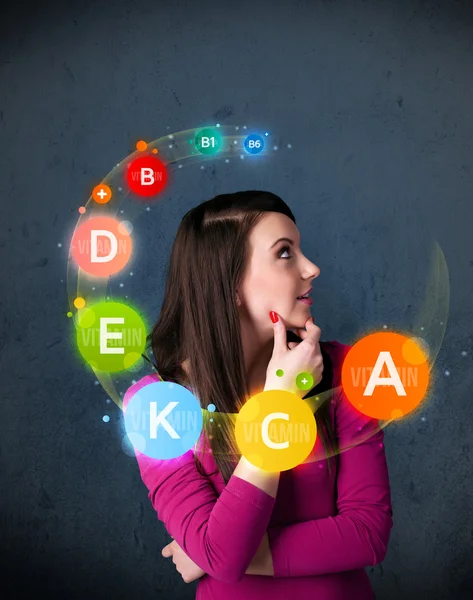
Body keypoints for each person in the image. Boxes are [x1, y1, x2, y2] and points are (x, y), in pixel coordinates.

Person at [123, 190, 393, 600]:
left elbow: (367, 533)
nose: (312, 268)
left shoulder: (346, 372)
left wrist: (218, 553)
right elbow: (223, 556)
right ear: (229, 285)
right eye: (285, 253)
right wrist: (279, 404)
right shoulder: (157, 406)